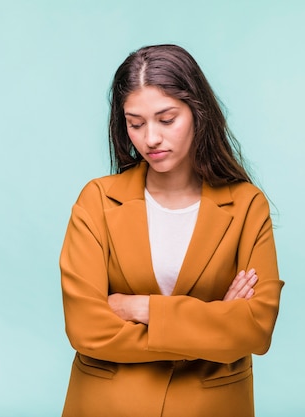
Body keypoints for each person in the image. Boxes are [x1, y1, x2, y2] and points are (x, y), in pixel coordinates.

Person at [59, 44, 284, 417]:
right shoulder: (96, 200)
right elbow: (86, 329)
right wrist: (214, 325)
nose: (150, 139)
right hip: (107, 406)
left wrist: (141, 307)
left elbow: (255, 329)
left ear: (198, 114)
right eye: (135, 123)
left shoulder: (246, 205)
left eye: (166, 120)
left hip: (209, 407)